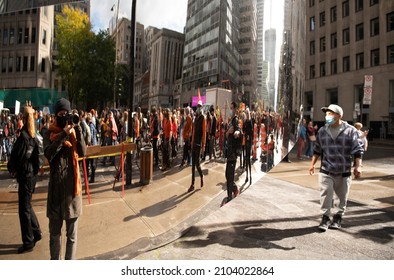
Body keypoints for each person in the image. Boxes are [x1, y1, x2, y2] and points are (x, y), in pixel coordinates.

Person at [43, 98, 86, 259]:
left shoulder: (75, 132)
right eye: (60, 114)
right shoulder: (49, 132)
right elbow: (49, 154)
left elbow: (82, 152)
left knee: (72, 237)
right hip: (55, 194)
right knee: (54, 237)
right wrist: (63, 134)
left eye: (65, 114)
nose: (63, 117)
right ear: (55, 115)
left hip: (72, 194)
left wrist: (78, 127)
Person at [309, 104, 364, 232]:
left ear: (339, 116)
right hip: (326, 169)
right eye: (327, 113)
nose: (327, 116)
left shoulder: (351, 131)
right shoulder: (323, 131)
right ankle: (325, 217)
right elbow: (317, 149)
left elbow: (358, 150)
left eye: (331, 113)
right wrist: (312, 164)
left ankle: (338, 217)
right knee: (326, 193)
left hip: (343, 171)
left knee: (342, 197)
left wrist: (358, 166)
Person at [7, 106, 42, 254]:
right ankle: (36, 232)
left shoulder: (24, 137)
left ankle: (28, 242)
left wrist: (12, 169)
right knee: (27, 206)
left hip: (26, 177)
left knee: (23, 210)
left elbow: (16, 157)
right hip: (31, 176)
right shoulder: (33, 135)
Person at [224, 101, 242, 202]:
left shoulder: (236, 120)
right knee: (227, 175)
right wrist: (227, 133)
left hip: (233, 153)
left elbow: (239, 130)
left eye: (232, 108)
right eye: (230, 108)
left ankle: (229, 198)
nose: (230, 110)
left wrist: (237, 132)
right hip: (229, 152)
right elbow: (226, 136)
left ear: (235, 110)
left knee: (230, 176)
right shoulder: (230, 121)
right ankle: (235, 189)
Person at [188, 101, 206, 192]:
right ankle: (192, 184)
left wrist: (203, 146)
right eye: (197, 107)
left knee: (197, 164)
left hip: (199, 144)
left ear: (201, 108)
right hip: (194, 144)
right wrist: (191, 142)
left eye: (200, 107)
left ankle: (201, 176)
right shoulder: (195, 118)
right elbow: (193, 131)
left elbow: (204, 133)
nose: (198, 108)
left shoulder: (203, 118)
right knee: (192, 166)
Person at [243, 108, 253, 184]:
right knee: (246, 159)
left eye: (247, 113)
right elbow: (243, 131)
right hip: (245, 142)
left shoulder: (249, 122)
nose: (246, 114)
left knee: (248, 159)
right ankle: (247, 175)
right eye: (245, 113)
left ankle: (250, 176)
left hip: (248, 142)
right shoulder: (245, 122)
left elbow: (251, 132)